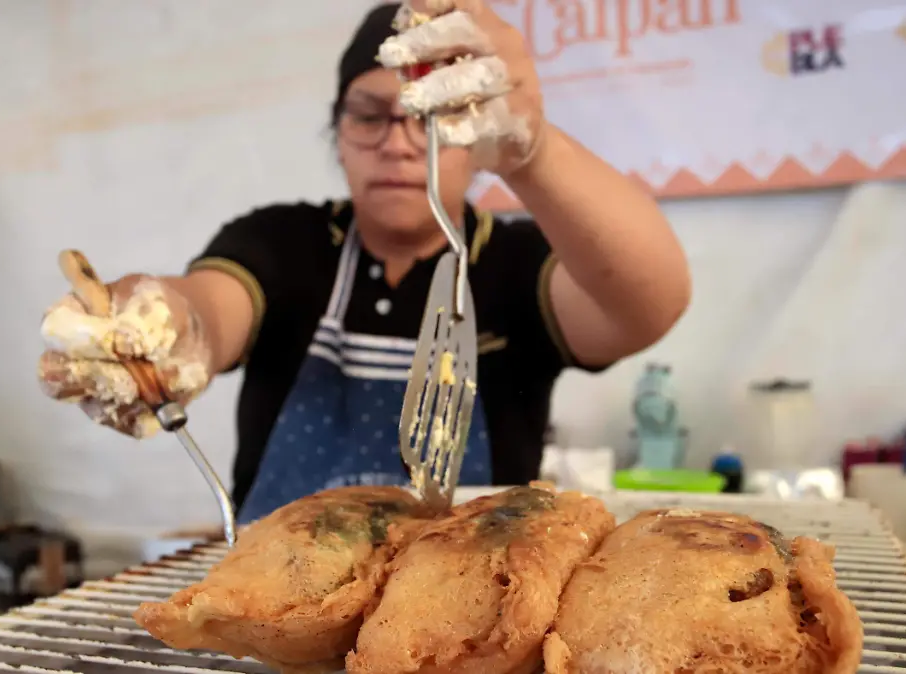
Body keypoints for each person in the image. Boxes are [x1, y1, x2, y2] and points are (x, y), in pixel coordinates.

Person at [37, 0, 691, 522]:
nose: (400, 146)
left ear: (475, 137)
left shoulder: (517, 263)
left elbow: (647, 305)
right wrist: (156, 327)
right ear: (338, 134)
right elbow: (206, 311)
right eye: (370, 116)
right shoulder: (282, 244)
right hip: (285, 594)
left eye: (427, 118)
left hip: (471, 611)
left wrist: (532, 151)